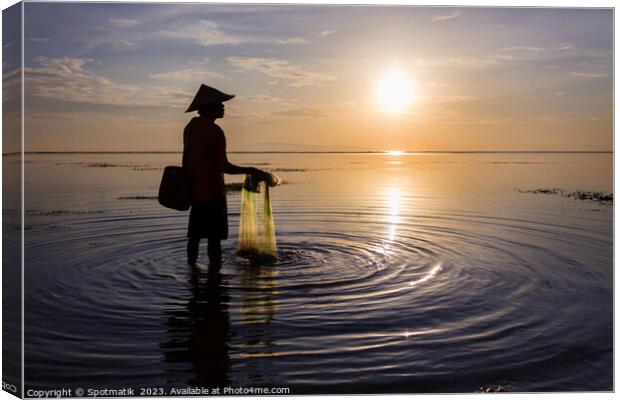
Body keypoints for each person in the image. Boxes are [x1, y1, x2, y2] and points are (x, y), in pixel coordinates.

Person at [183, 84, 270, 269]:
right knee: (214, 241)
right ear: (208, 107)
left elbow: (186, 160)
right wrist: (251, 170)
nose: (223, 107)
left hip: (196, 193)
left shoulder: (190, 127)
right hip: (213, 194)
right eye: (219, 104)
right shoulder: (215, 132)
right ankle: (215, 278)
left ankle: (191, 273)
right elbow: (224, 166)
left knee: (195, 237)